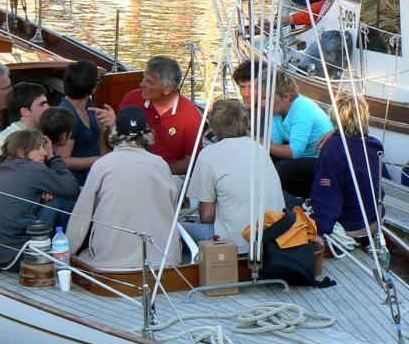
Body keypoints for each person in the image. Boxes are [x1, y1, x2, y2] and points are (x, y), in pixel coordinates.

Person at [66, 106, 182, 271]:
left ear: (115, 133)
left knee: (85, 256)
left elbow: (81, 216)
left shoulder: (102, 166)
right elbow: (172, 208)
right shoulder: (161, 165)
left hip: (110, 263)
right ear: (147, 134)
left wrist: (67, 252)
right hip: (163, 261)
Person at [183, 99, 285, 255]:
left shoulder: (208, 155)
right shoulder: (259, 148)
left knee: (178, 229)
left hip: (234, 243)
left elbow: (207, 215)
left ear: (214, 127)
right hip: (270, 237)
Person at [0, 129, 80, 270]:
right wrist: (52, 157)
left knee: (56, 196)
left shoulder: (1, 168)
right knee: (62, 200)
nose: (43, 152)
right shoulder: (33, 169)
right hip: (19, 256)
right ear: (21, 152)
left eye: (44, 148)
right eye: (38, 148)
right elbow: (72, 187)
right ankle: (74, 252)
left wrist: (47, 189)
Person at [232, 62, 334, 199]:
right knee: (262, 160)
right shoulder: (276, 111)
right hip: (305, 158)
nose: (262, 103)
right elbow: (273, 144)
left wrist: (256, 139)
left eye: (265, 98)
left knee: (283, 169)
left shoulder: (302, 109)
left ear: (286, 97)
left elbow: (295, 152)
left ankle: (301, 202)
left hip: (322, 161)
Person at [310, 91, 384, 252]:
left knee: (290, 201)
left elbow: (328, 196)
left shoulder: (334, 148)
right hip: (375, 222)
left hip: (351, 229)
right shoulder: (374, 145)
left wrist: (318, 230)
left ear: (334, 118)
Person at [119, 55, 203, 175]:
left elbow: (191, 160)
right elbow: (116, 141)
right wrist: (110, 125)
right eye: (143, 79)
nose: (142, 85)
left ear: (168, 89)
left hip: (169, 175)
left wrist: (158, 172)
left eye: (149, 82)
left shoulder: (191, 115)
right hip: (129, 169)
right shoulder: (131, 99)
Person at [58, 60, 115, 185]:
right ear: (91, 85)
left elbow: (100, 133)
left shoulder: (88, 105)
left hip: (96, 176)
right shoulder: (67, 116)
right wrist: (98, 160)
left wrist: (108, 125)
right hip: (77, 184)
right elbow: (63, 160)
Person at [0, 82, 49, 183]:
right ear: (25, 111)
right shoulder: (22, 140)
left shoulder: (16, 132)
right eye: (42, 105)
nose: (48, 107)